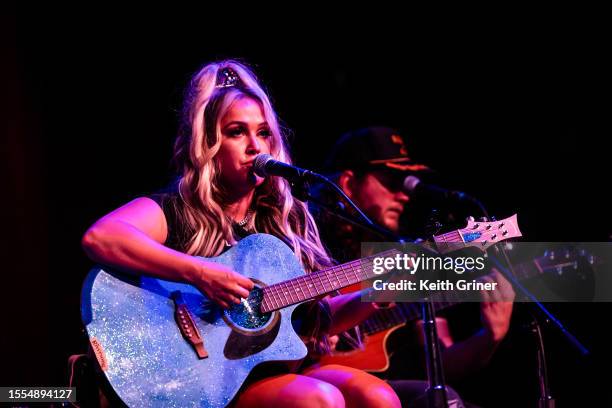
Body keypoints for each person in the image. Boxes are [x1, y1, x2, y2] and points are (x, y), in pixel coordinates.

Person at [81, 61, 401, 407]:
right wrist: (200, 273)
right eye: (237, 132)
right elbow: (102, 237)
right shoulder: (179, 208)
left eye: (263, 132)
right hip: (204, 378)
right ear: (208, 143)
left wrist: (372, 296)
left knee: (378, 396)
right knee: (318, 399)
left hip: (275, 366)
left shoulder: (285, 220)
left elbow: (313, 321)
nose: (255, 146)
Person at [315, 127, 516, 407]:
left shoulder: (404, 252)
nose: (404, 195)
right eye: (391, 182)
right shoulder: (312, 240)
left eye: (405, 183)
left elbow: (442, 364)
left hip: (393, 387)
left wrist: (489, 338)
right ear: (349, 183)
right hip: (318, 382)